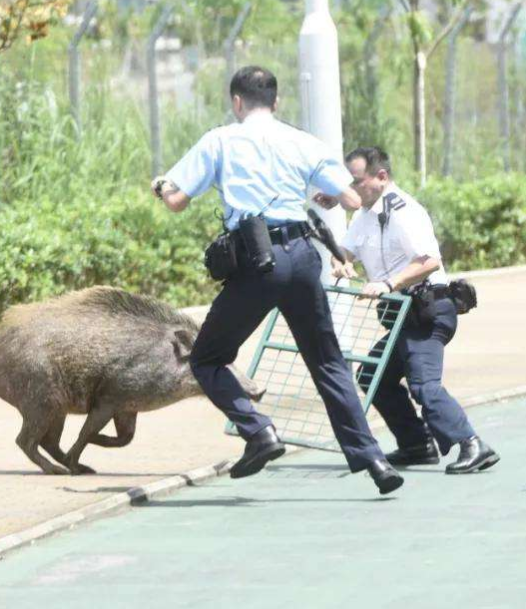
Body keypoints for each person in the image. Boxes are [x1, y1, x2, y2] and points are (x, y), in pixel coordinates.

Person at [151, 65, 403, 495]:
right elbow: (351, 197)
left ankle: (259, 431)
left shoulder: (220, 140)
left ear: (236, 102)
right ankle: (374, 460)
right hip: (304, 256)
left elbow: (176, 200)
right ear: (276, 101)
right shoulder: (301, 140)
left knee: (207, 358)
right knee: (327, 361)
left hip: (257, 262)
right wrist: (320, 193)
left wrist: (159, 187)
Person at [323, 146, 498, 474]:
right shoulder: (365, 216)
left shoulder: (405, 212)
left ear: (381, 177)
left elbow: (430, 261)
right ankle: (416, 444)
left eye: (357, 181)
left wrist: (388, 284)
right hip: (404, 317)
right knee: (374, 375)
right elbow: (345, 251)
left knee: (423, 384)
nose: (353, 189)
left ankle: (472, 443)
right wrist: (340, 264)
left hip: (428, 310)